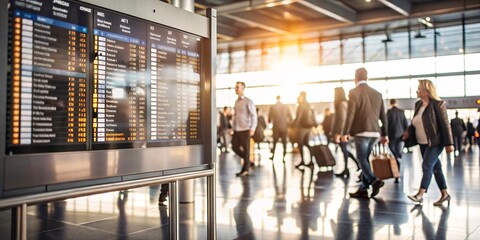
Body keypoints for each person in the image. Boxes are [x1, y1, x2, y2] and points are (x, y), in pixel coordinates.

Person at [404, 79, 454, 207]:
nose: (417, 90)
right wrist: (408, 132)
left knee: (426, 165)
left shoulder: (438, 104)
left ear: (426, 91)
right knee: (436, 168)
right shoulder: (418, 105)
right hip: (422, 142)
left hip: (435, 142)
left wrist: (449, 143)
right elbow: (415, 122)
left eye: (419, 88)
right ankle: (445, 194)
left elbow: (445, 125)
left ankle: (420, 194)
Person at [341, 67, 388, 198]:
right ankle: (363, 188)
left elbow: (350, 114)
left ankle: (374, 181)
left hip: (361, 132)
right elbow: (382, 116)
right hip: (375, 133)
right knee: (366, 159)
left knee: (362, 160)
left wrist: (345, 132)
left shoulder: (353, 92)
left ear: (355, 78)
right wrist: (385, 134)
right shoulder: (377, 94)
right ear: (367, 78)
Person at [331, 87, 360, 178]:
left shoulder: (342, 104)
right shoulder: (343, 104)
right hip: (342, 132)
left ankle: (350, 168)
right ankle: (348, 168)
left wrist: (339, 133)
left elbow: (342, 120)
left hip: (342, 133)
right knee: (344, 150)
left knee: (344, 150)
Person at [232, 81, 257, 177]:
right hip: (237, 129)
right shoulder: (236, 102)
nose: (236, 88)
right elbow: (235, 116)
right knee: (234, 147)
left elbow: (253, 115)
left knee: (246, 150)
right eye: (235, 87)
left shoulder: (248, 101)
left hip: (246, 129)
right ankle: (248, 162)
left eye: (238, 87)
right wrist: (233, 128)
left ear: (243, 89)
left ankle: (245, 170)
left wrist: (253, 128)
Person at [292, 91, 315, 170]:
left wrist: (293, 126)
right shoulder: (309, 104)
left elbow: (298, 116)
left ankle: (302, 161)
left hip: (302, 126)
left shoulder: (301, 105)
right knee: (307, 143)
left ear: (302, 96)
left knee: (300, 143)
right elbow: (312, 115)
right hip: (309, 126)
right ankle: (311, 161)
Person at [268, 95, 292, 161]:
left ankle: (273, 156)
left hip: (276, 127)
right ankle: (284, 157)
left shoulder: (272, 107)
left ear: (276, 99)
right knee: (284, 142)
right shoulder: (286, 107)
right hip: (284, 127)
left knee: (274, 142)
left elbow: (269, 119)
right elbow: (290, 117)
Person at [386, 99, 408, 167]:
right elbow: (405, 123)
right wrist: (406, 132)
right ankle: (398, 158)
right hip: (400, 134)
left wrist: (385, 134)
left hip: (392, 134)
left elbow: (386, 124)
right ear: (396, 103)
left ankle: (396, 160)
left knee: (392, 149)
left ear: (390, 103)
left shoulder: (389, 112)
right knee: (398, 149)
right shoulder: (401, 112)